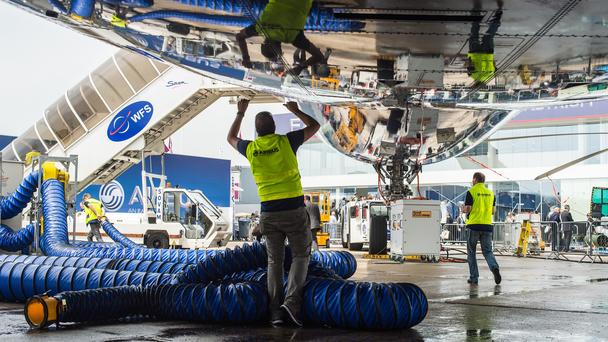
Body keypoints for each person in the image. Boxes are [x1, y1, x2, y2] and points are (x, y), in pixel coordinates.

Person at [227, 98, 320, 327]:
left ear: (257, 132)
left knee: (274, 262)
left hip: (269, 213)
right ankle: (292, 303)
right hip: (294, 210)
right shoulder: (287, 141)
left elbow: (230, 138)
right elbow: (314, 126)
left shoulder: (251, 148)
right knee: (300, 256)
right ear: (274, 128)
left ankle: (275, 312)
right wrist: (296, 110)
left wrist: (241, 112)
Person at [235, 0, 324, 76]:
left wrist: (300, 67)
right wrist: (245, 58)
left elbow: (319, 56)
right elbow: (239, 37)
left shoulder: (293, 37)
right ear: (263, 44)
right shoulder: (261, 27)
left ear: (281, 49)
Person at [463, 172, 501, 285]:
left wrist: (463, 209)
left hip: (473, 225)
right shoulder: (491, 193)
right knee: (488, 251)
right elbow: (493, 211)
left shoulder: (471, 191)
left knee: (471, 252)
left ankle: (474, 277)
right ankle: (494, 268)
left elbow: (468, 208)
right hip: (487, 226)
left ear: (475, 179)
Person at [466, 3, 503, 85]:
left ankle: (496, 19)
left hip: (488, 53)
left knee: (489, 36)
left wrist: (491, 57)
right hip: (475, 52)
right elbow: (470, 64)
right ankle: (476, 15)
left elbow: (494, 65)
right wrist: (468, 60)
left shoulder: (491, 76)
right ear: (475, 83)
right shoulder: (473, 76)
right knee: (474, 34)